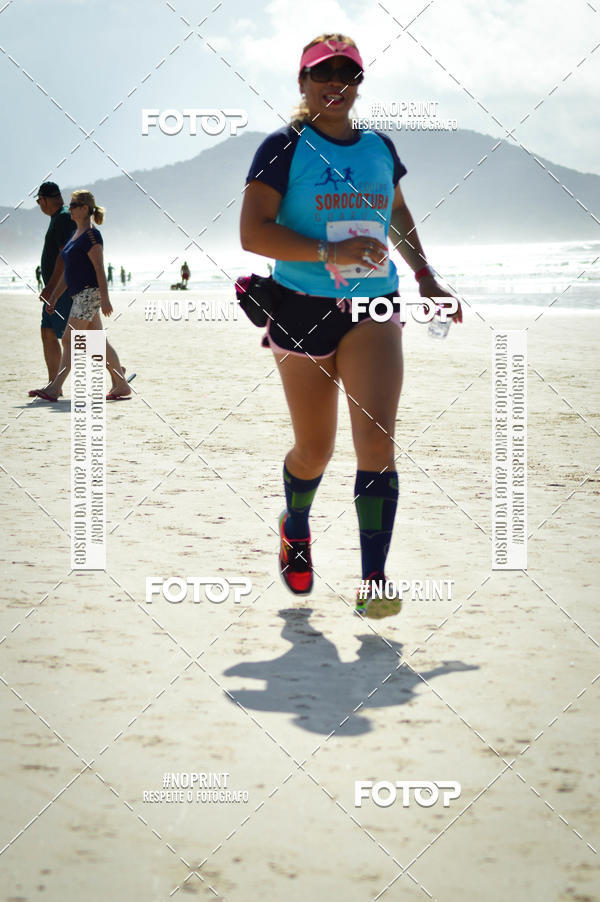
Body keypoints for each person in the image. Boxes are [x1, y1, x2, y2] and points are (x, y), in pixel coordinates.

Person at [240, 33, 462, 619]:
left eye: (348, 74)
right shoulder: (281, 147)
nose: (335, 84)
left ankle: (374, 581)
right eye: (322, 74)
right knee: (315, 450)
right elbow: (254, 234)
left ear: (359, 83)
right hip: (300, 307)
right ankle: (296, 523)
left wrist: (423, 274)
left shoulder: (380, 147)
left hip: (375, 307)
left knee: (377, 440)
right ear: (303, 82)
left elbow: (396, 211)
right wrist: (328, 255)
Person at [29, 190, 131, 402]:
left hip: (88, 293)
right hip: (78, 294)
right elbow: (68, 272)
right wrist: (54, 296)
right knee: (98, 342)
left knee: (69, 338)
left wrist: (105, 298)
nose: (71, 208)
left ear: (85, 209)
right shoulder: (76, 234)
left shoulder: (92, 236)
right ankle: (121, 384)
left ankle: (54, 387)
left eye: (74, 205)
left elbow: (99, 268)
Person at [32, 182, 76, 388]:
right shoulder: (58, 218)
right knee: (48, 330)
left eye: (39, 201)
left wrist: (51, 288)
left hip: (64, 290)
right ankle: (53, 383)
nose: (39, 205)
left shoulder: (63, 218)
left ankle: (116, 371)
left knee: (79, 337)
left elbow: (64, 255)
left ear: (45, 199)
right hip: (58, 289)